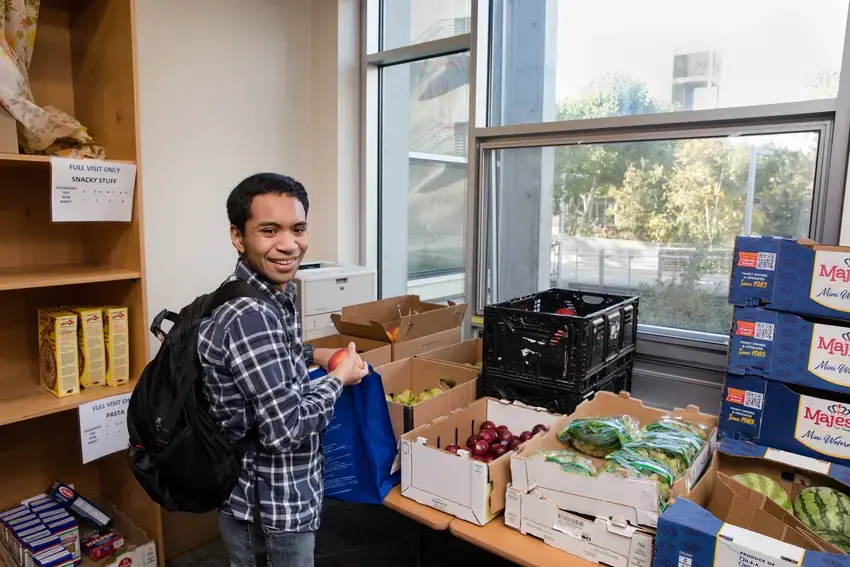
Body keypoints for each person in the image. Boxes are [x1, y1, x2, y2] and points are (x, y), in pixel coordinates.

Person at [197, 172, 368, 567]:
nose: (289, 245)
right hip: (269, 509)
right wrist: (338, 379)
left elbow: (272, 354)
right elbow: (286, 429)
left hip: (280, 495)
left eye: (298, 229)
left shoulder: (268, 293)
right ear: (238, 236)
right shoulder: (249, 314)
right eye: (269, 230)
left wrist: (317, 353)